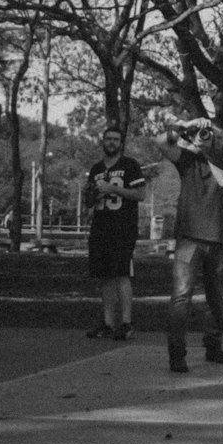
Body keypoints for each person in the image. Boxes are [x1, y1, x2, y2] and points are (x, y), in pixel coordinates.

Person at [157, 117, 223, 373]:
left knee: (216, 299)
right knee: (181, 297)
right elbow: (160, 141)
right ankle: (177, 355)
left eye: (211, 134)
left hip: (218, 239)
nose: (207, 136)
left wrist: (208, 148)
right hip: (189, 238)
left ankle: (213, 346)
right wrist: (187, 125)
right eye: (204, 133)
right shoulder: (187, 160)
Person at [84, 127, 146, 342]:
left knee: (121, 273)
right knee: (105, 275)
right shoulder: (96, 169)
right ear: (102, 141)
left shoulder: (130, 165)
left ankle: (127, 323)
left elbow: (140, 194)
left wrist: (114, 189)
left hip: (123, 228)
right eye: (108, 139)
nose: (111, 142)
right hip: (101, 227)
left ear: (121, 143)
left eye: (115, 139)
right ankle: (108, 323)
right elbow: (89, 202)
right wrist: (92, 195)